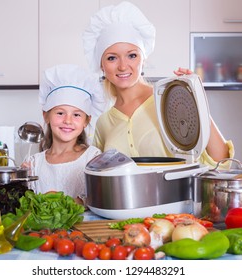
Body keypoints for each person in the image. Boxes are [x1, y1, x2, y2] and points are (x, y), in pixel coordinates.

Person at [82, 1, 234, 168]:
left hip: (179, 194)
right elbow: (100, 175)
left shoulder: (170, 101)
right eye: (112, 58)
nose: (123, 66)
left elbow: (222, 161)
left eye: (132, 55)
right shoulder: (104, 123)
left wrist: (197, 102)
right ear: (101, 65)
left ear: (143, 58)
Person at [25, 64, 108, 205]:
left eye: (76, 114)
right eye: (60, 113)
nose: (67, 121)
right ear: (46, 116)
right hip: (44, 228)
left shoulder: (93, 158)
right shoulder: (34, 163)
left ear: (86, 121)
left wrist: (59, 201)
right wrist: (21, 181)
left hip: (84, 227)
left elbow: (98, 199)